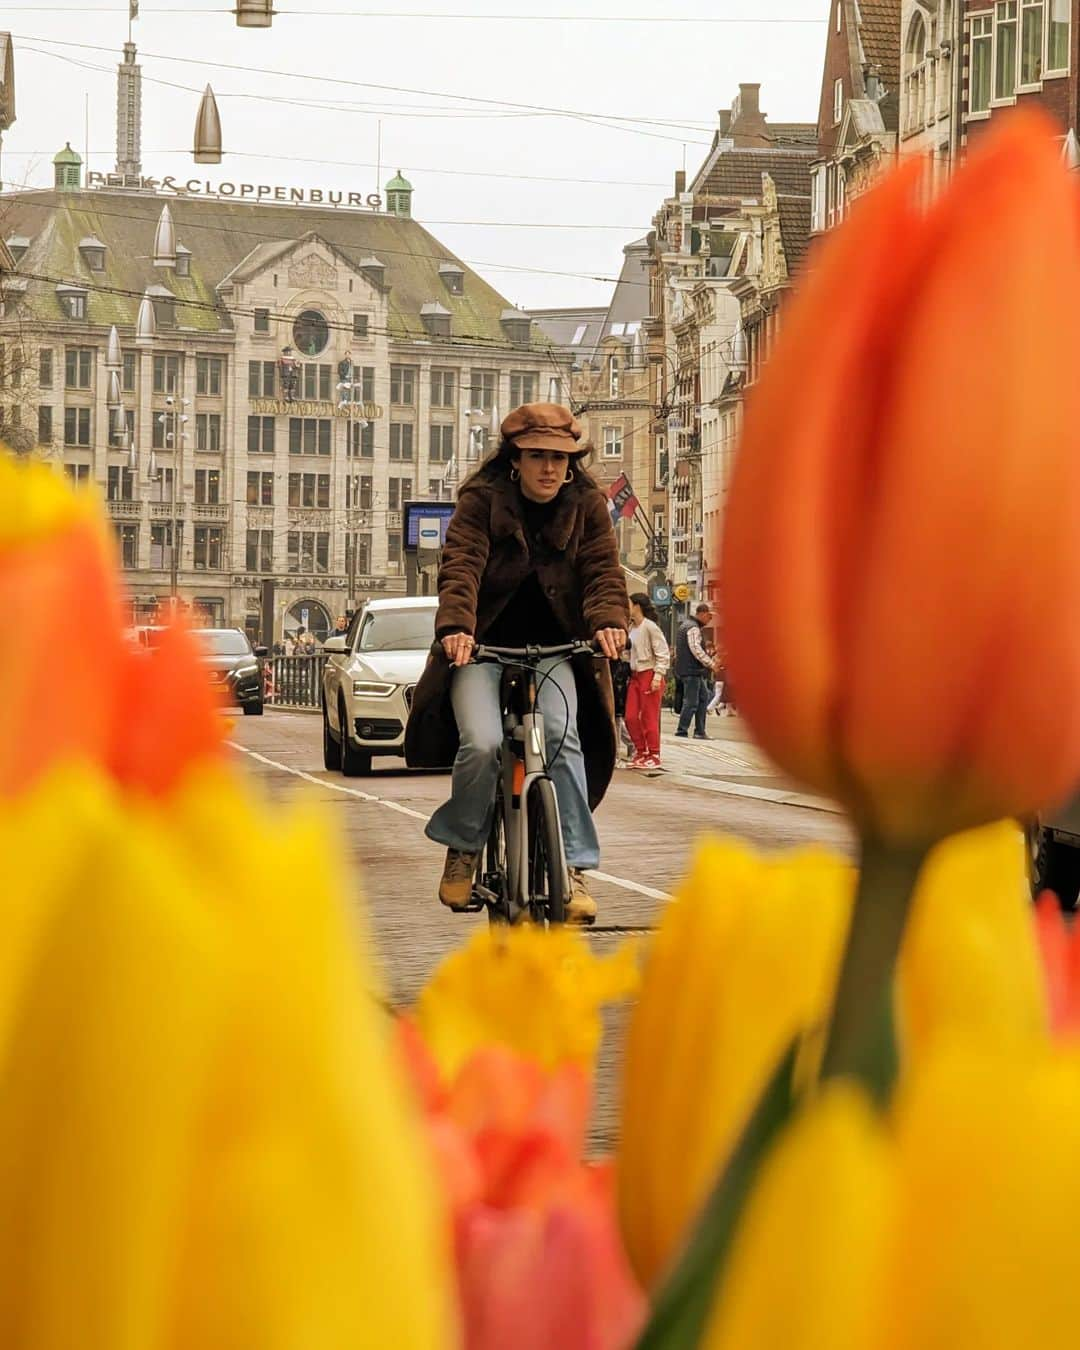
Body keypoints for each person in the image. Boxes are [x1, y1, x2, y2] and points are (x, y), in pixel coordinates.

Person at [404, 403, 628, 925]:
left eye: (559, 458)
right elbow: (460, 564)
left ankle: (571, 868)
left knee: (560, 735)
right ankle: (463, 847)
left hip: (557, 652)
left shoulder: (586, 504)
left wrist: (607, 622)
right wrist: (457, 628)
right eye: (537, 457)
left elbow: (602, 571)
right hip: (482, 647)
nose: (550, 468)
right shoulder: (481, 501)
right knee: (482, 742)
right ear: (514, 460)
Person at [625, 592, 671, 769]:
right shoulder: (631, 628)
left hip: (649, 673)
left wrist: (658, 676)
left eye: (629, 603)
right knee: (630, 716)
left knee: (649, 717)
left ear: (637, 606)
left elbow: (663, 652)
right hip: (635, 675)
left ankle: (654, 753)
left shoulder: (650, 627)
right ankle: (641, 750)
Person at [674, 602, 714, 739]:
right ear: (702, 613)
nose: (710, 619)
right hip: (692, 670)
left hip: (690, 670)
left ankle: (699, 731)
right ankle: (682, 731)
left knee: (703, 698)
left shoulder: (685, 625)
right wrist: (710, 663)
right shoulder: (693, 628)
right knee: (691, 702)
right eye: (709, 616)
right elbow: (696, 649)